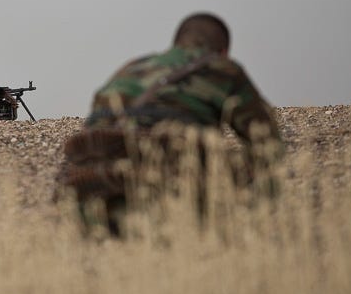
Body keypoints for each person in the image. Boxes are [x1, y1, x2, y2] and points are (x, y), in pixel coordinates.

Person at [59, 12, 283, 236]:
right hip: (176, 185)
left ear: (176, 44)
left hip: (95, 188)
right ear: (223, 52)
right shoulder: (224, 69)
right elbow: (268, 144)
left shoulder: (130, 69)